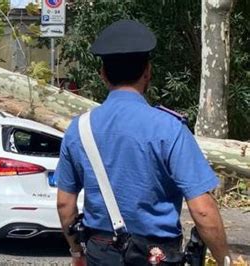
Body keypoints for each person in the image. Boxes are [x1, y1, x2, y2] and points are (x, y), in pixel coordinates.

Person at [55, 19, 230, 266]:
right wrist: (225, 259)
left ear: (103, 74)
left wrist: (77, 252)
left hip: (100, 253)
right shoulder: (169, 128)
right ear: (148, 71)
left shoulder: (79, 129)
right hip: (156, 256)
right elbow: (202, 209)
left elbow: (65, 204)